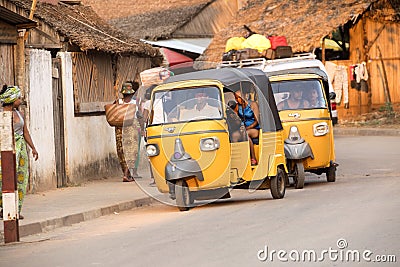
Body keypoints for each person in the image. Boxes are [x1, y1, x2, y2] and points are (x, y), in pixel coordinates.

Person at [0, 85, 39, 219]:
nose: (20, 99)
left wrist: (33, 148)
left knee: (20, 179)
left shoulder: (19, 114)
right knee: (5, 178)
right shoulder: (2, 115)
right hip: (6, 149)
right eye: (18, 97)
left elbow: (25, 132)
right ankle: (3, 208)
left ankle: (16, 209)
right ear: (11, 99)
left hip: (20, 149)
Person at [115, 81, 142, 182]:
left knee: (121, 150)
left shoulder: (118, 102)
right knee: (131, 151)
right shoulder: (135, 103)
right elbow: (140, 116)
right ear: (132, 93)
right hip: (132, 128)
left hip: (119, 129)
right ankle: (126, 174)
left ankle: (127, 173)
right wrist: (142, 128)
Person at [233, 90, 260, 166]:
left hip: (254, 128)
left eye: (239, 97)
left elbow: (257, 121)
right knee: (234, 135)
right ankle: (237, 159)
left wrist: (247, 128)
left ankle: (253, 158)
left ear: (244, 96)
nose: (237, 100)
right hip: (243, 128)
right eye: (236, 98)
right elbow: (236, 119)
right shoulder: (237, 106)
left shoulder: (253, 104)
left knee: (246, 133)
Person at [141, 84, 157, 186]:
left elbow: (144, 118)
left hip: (151, 130)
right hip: (160, 129)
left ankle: (154, 178)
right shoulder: (162, 102)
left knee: (151, 154)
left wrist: (142, 129)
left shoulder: (147, 104)